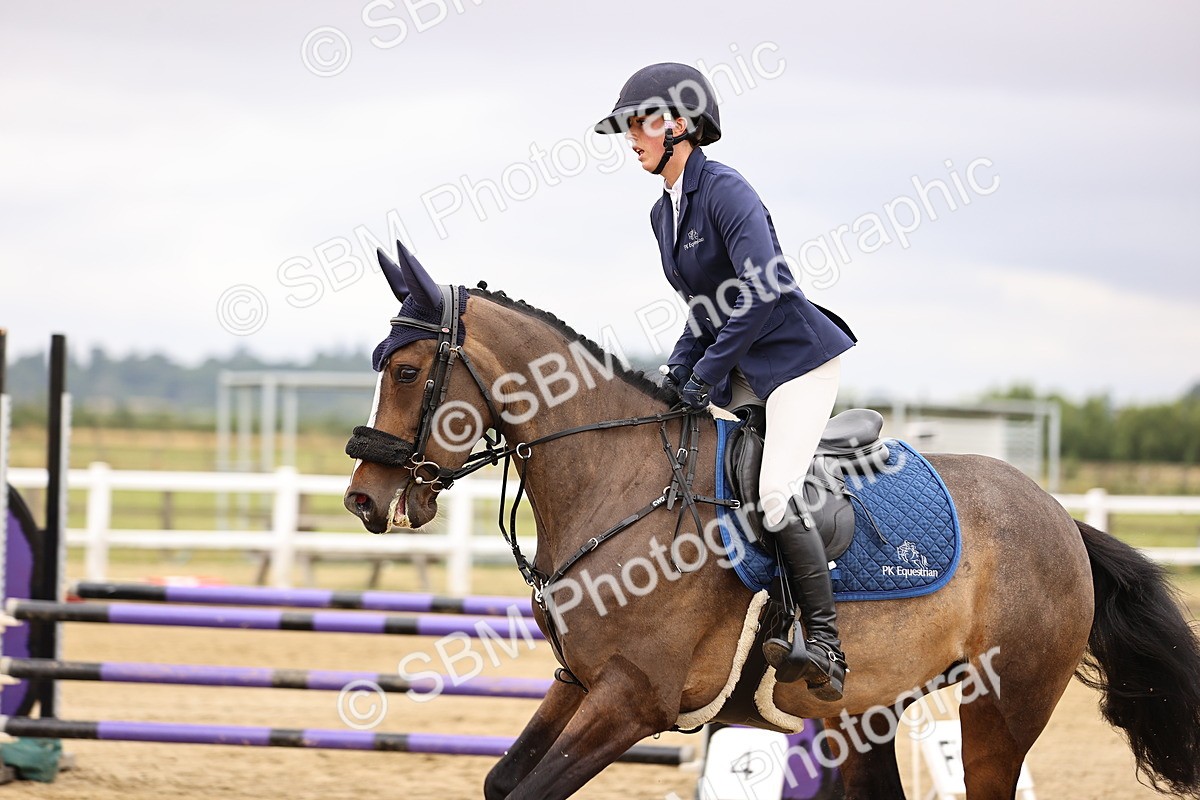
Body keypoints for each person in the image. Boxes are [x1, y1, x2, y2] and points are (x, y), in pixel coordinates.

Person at [594, 63, 857, 701]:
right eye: (626, 126)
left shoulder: (726, 191)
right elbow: (705, 310)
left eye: (638, 123)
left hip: (794, 364)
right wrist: (673, 374)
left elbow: (762, 290)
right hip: (741, 369)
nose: (629, 137)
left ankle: (825, 642)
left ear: (677, 125)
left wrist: (706, 375)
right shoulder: (665, 214)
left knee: (773, 493)